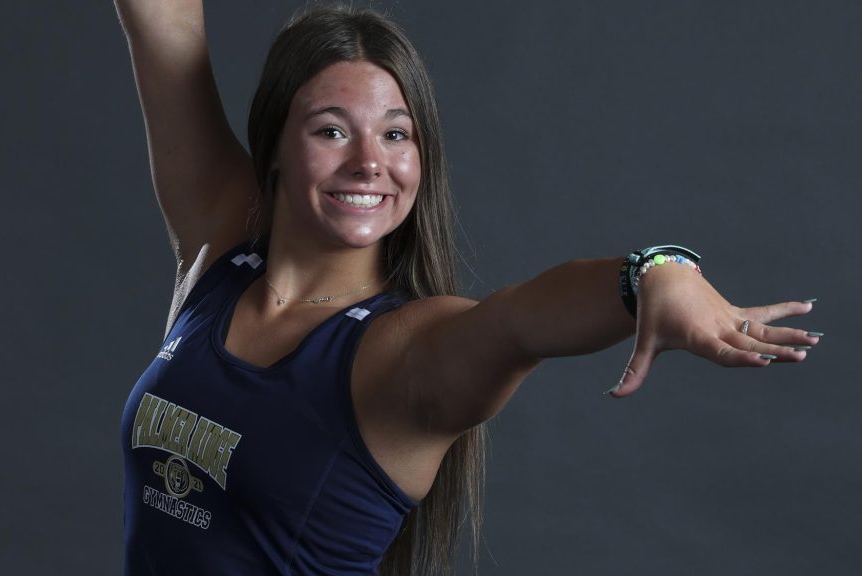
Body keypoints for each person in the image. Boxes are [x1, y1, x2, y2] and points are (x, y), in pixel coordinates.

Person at [113, 2, 819, 575]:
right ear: (273, 147)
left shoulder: (403, 351)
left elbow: (519, 320)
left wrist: (652, 272)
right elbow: (167, 26)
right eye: (332, 131)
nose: (369, 163)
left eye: (397, 135)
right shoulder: (221, 251)